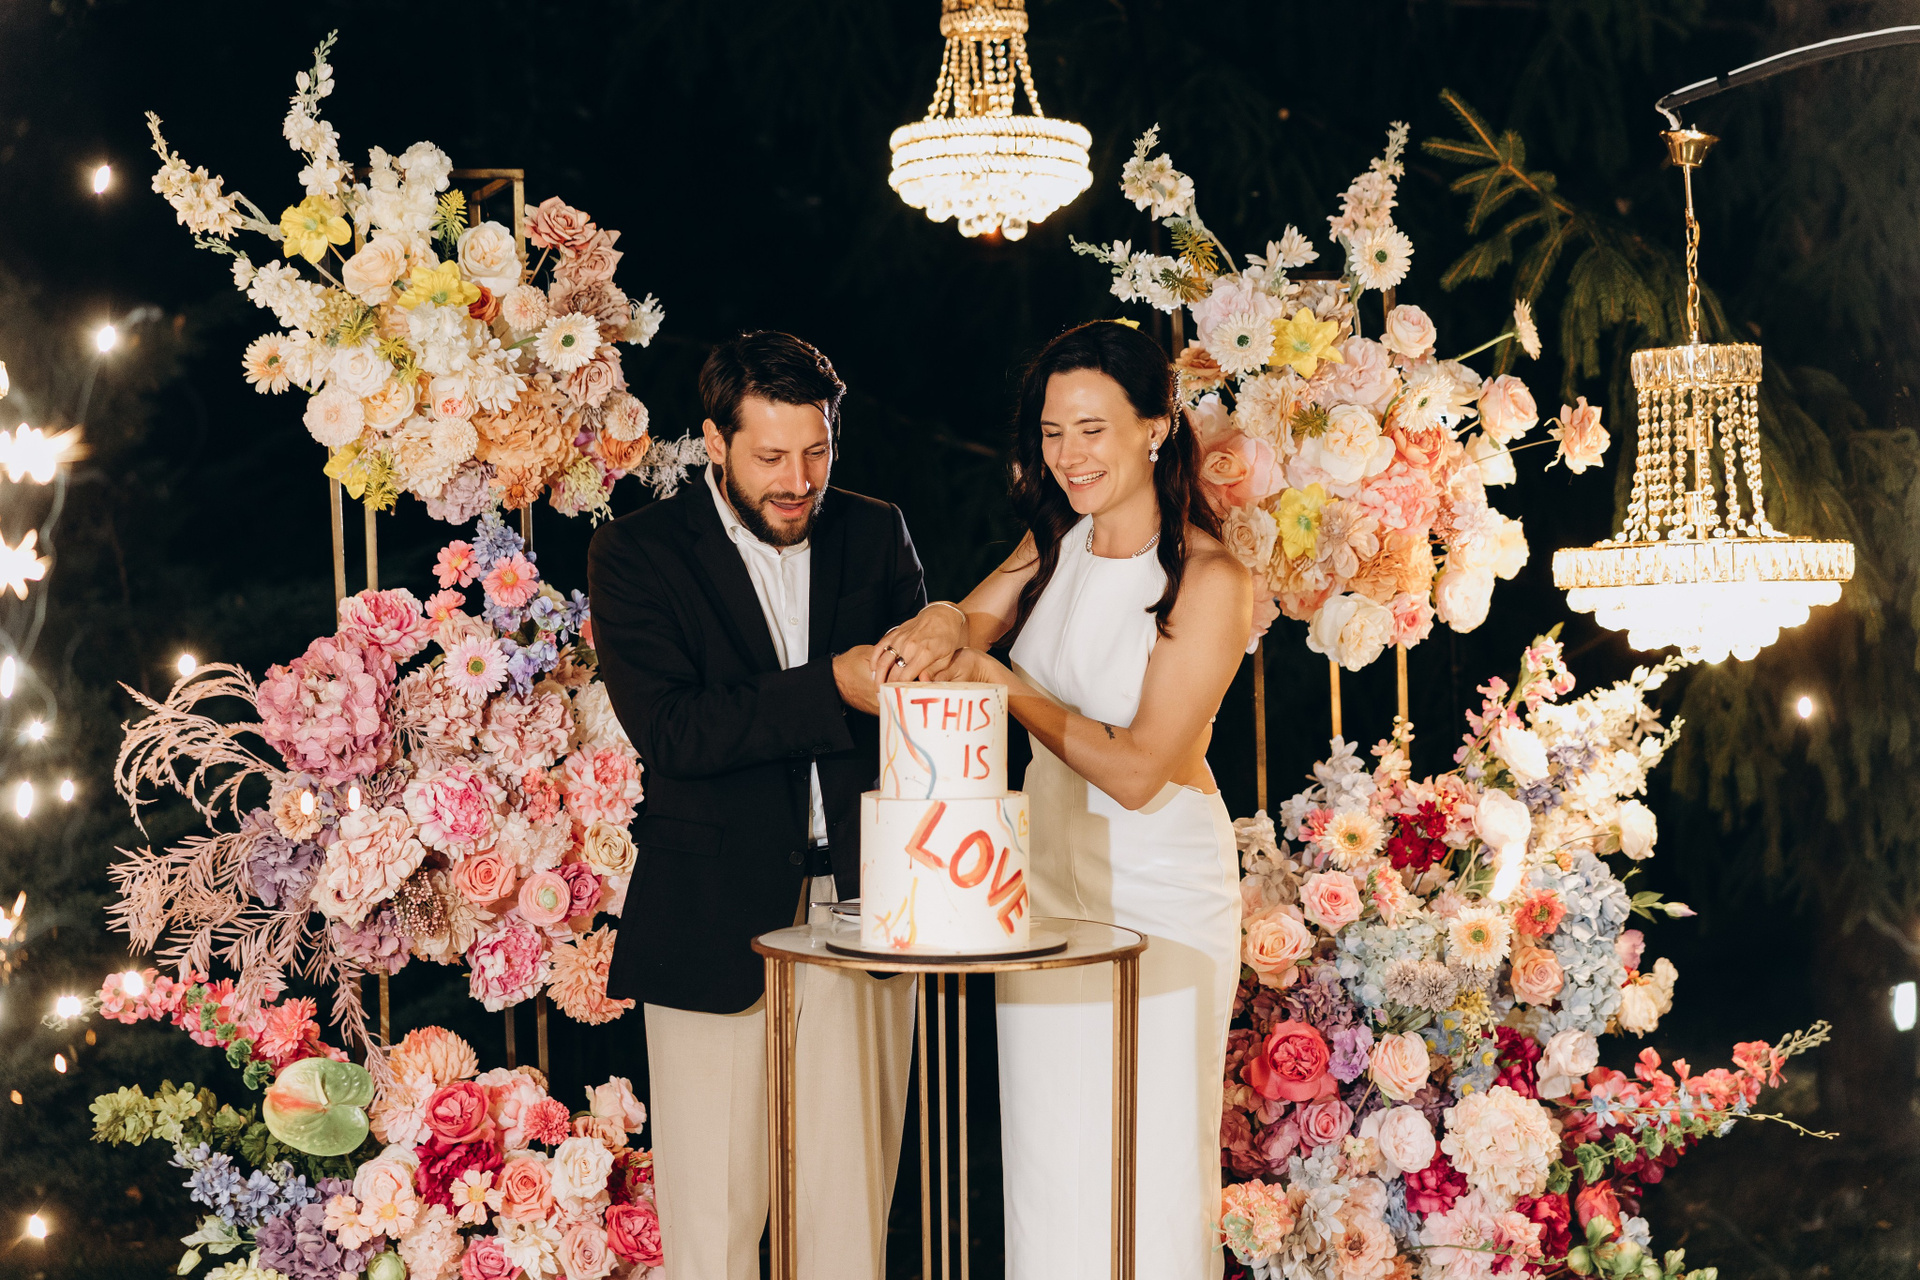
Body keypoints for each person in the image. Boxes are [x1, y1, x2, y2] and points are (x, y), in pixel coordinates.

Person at [872, 320, 1252, 1279]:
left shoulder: (1209, 579)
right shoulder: (1058, 537)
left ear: (1155, 428)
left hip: (1161, 890)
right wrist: (938, 621)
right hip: (1042, 883)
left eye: (1092, 429)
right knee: (1049, 1159)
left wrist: (1008, 689)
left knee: (1148, 1163)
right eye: (1051, 432)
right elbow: (972, 615)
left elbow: (1138, 770)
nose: (1068, 455)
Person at [588, 331, 924, 1280]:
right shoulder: (637, 552)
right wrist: (834, 687)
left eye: (816, 452)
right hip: (710, 919)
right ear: (714, 442)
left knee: (849, 1221)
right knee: (715, 1228)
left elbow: (922, 720)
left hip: (863, 911)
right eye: (771, 456)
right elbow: (675, 731)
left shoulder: (877, 531)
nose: (797, 480)